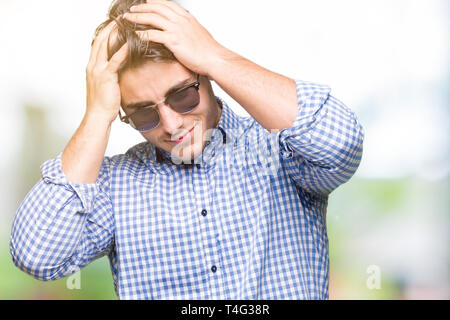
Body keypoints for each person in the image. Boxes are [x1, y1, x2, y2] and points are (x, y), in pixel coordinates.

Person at [10, 0, 364, 300]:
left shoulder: (281, 147)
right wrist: (97, 114)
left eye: (182, 95)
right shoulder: (114, 186)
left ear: (206, 76)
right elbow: (37, 254)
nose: (170, 123)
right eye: (144, 113)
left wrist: (215, 56)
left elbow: (340, 143)